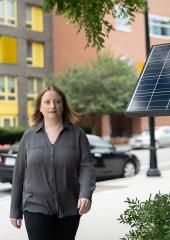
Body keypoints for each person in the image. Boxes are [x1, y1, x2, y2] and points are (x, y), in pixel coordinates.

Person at [10, 85, 96, 240]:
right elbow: (19, 174)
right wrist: (15, 210)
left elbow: (86, 168)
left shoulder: (78, 134)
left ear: (63, 106)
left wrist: (86, 194)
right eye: (47, 102)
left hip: (69, 207)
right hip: (35, 207)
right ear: (40, 108)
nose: (52, 106)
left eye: (57, 101)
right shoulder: (29, 137)